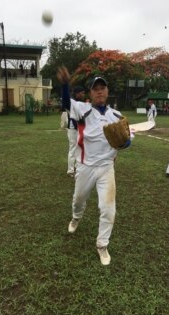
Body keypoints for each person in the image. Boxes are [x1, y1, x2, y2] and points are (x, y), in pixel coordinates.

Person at [57, 66, 131, 265]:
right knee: (78, 199)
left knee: (108, 209)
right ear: (91, 92)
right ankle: (76, 217)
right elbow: (66, 103)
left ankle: (102, 245)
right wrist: (65, 85)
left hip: (106, 167)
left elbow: (128, 139)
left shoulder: (116, 115)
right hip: (85, 166)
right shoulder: (83, 109)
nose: (99, 91)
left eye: (102, 88)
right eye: (95, 88)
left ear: (107, 92)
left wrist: (125, 142)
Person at [66, 86, 86, 177]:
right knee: (73, 148)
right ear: (77, 93)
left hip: (78, 128)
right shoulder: (71, 102)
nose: (83, 94)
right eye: (82, 93)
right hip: (73, 128)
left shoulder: (80, 103)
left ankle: (76, 167)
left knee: (78, 148)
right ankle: (70, 170)